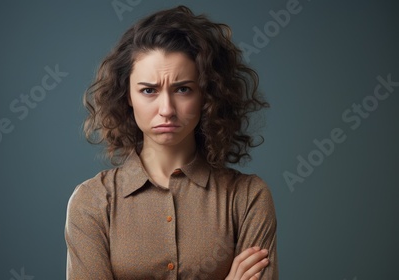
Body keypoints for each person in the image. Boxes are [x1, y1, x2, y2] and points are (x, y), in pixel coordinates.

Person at [65, 5, 278, 279]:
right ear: (127, 95)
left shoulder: (248, 198)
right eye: (148, 90)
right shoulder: (91, 202)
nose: (166, 108)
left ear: (206, 94)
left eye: (182, 89)